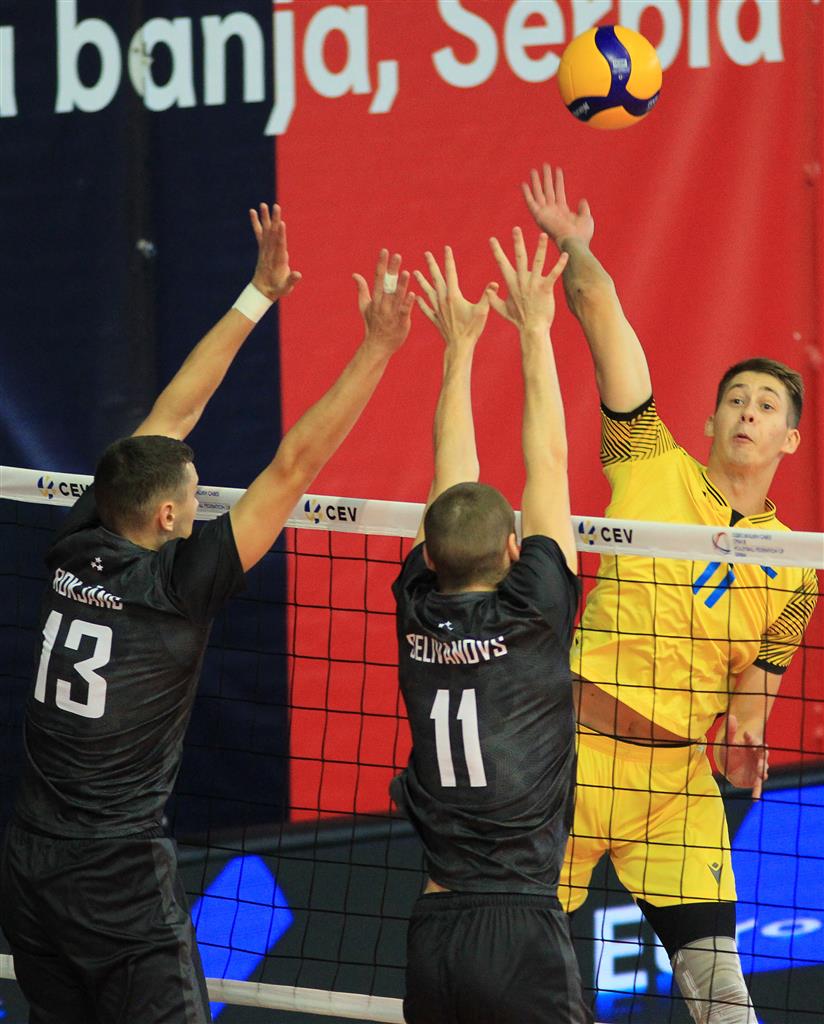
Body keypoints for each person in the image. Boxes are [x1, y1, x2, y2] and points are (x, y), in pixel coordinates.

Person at [0, 203, 414, 1024]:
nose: (202, 498)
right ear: (165, 517)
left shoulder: (82, 536)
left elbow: (172, 416)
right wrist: (378, 347)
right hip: (116, 881)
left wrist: (260, 293)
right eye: (194, 494)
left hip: (30, 863)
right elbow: (292, 466)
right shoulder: (177, 585)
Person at [522, 164, 818, 1024]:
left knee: (722, 998)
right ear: (710, 421)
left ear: (790, 440)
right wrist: (575, 244)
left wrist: (749, 739)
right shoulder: (648, 460)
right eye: (735, 399)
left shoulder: (799, 570)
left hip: (677, 789)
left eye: (767, 405)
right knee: (527, 985)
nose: (748, 412)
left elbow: (754, 695)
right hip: (570, 762)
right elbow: (602, 318)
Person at [391, 229, 590, 1024]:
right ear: (513, 550)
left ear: (429, 556)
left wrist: (458, 349)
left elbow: (455, 486)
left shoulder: (417, 610)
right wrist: (535, 329)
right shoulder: (533, 611)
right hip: (520, 928)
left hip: (434, 927)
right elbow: (550, 463)